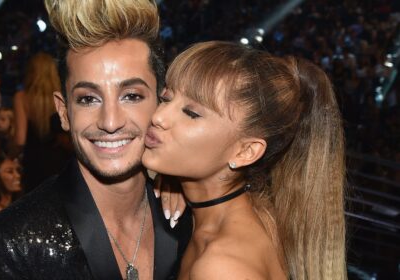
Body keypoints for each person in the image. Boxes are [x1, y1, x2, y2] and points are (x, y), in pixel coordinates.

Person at [0, 0, 190, 279]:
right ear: (64, 112)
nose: (110, 122)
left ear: (161, 103)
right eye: (88, 99)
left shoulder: (191, 211)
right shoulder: (9, 243)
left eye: (132, 95)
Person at [143, 41, 347, 280]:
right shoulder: (260, 211)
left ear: (246, 152)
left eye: (191, 113)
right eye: (166, 97)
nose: (158, 116)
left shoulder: (221, 268)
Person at [13, 52, 73, 192]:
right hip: (61, 159)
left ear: (30, 72)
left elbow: (20, 140)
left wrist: (10, 155)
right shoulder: (61, 97)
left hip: (34, 162)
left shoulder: (22, 98)